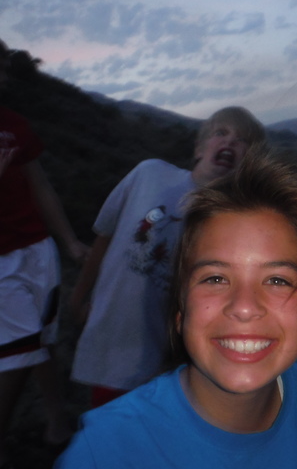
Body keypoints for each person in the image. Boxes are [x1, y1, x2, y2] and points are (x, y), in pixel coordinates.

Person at [55, 149, 297, 468]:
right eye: (216, 278)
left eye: (278, 280)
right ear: (181, 310)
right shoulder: (104, 454)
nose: (244, 308)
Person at [69, 105, 266, 407]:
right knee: (107, 421)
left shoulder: (234, 222)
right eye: (221, 133)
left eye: (243, 140)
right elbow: (104, 238)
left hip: (167, 359)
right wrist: (78, 298)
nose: (230, 141)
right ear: (199, 149)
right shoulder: (149, 175)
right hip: (111, 340)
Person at [0, 38, 89, 467]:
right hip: (2, 260)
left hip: (37, 249)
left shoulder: (13, 123)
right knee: (22, 347)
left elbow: (40, 186)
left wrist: (69, 241)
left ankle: (56, 418)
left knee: (43, 339)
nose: (2, 76)